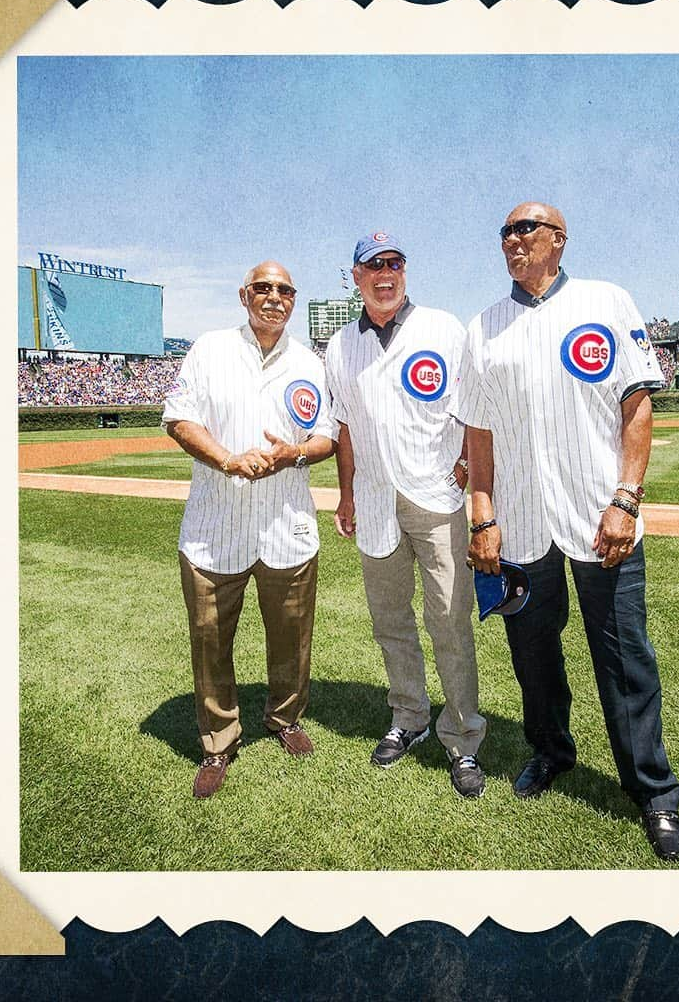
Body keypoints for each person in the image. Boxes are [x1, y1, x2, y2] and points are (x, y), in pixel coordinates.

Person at [456, 203, 679, 860]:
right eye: (503, 231)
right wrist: (483, 517)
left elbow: (636, 404)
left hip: (599, 520)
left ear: (558, 240)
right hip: (521, 526)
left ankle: (654, 793)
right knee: (534, 659)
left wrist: (627, 498)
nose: (512, 239)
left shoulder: (606, 301)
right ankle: (551, 753)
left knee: (624, 659)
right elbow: (478, 433)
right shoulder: (484, 328)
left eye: (526, 228)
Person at [163, 261, 336, 799]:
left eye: (285, 290)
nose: (274, 297)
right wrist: (227, 459)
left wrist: (295, 453)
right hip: (215, 528)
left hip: (287, 526)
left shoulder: (311, 361)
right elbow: (178, 418)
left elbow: (327, 436)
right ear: (244, 295)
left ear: (293, 300)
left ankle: (284, 718)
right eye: (263, 288)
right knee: (211, 641)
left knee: (292, 638)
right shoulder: (210, 348)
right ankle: (219, 739)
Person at [326, 231, 487, 799]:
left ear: (406, 271)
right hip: (373, 502)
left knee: (449, 620)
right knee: (390, 621)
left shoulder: (443, 328)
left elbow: (473, 408)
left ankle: (463, 738)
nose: (385, 274)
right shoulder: (339, 346)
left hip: (437, 499)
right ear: (356, 277)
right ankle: (409, 716)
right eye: (374, 266)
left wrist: (467, 462)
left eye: (395, 263)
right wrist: (344, 495)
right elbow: (343, 428)